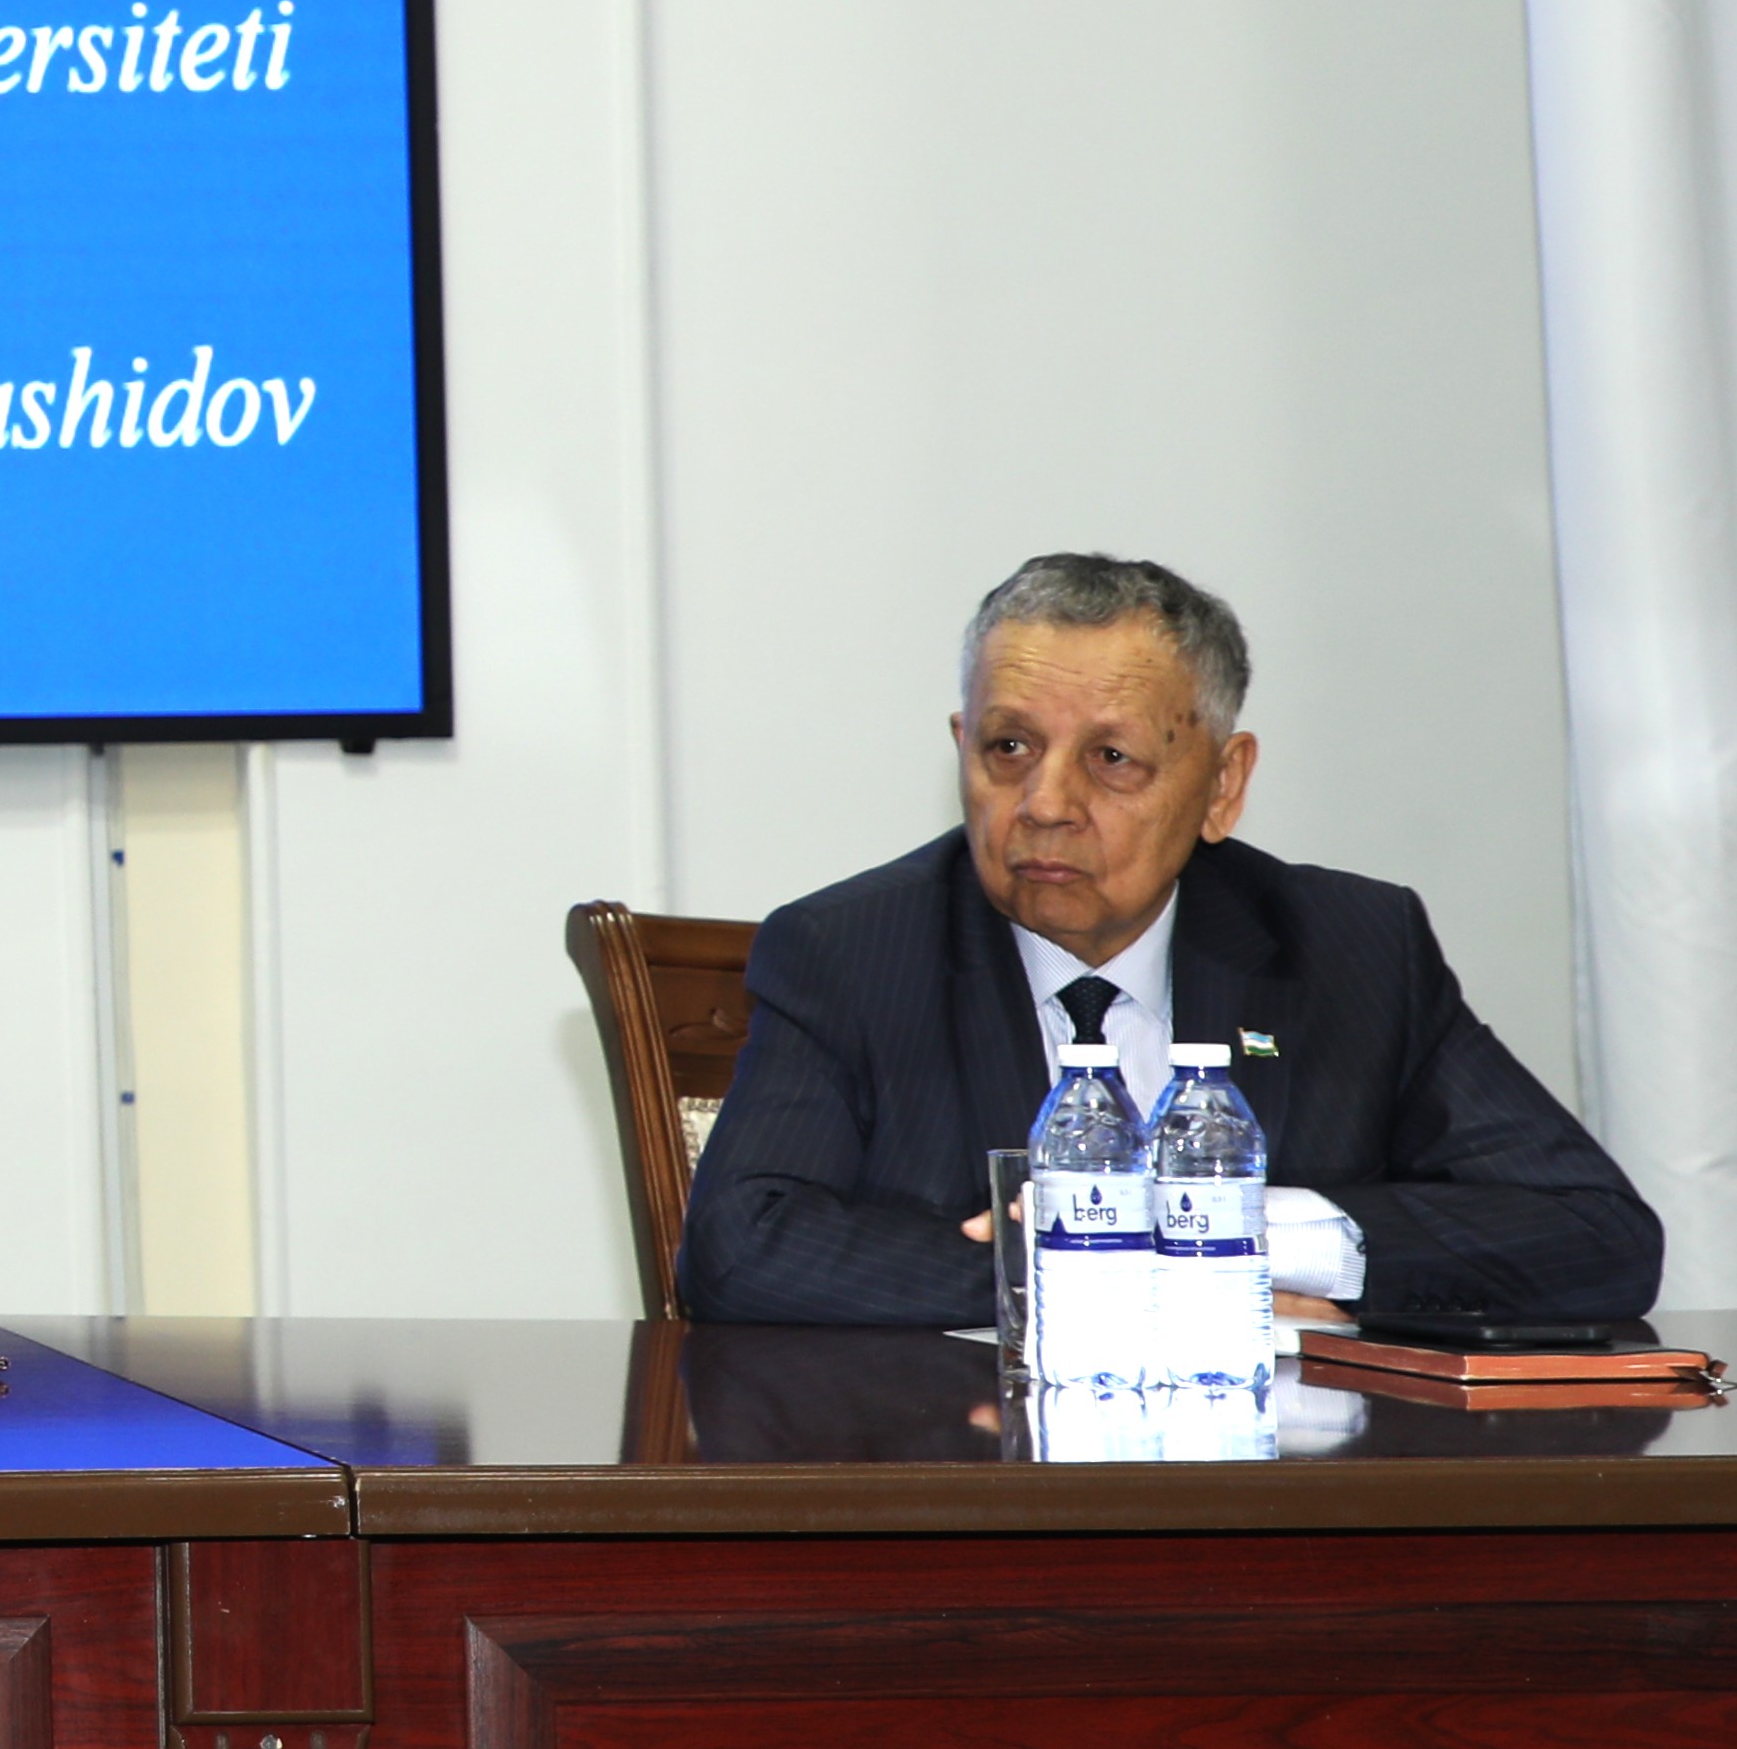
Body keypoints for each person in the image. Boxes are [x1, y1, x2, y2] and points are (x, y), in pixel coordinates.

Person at [677, 552, 1662, 1333]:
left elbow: (1596, 1232)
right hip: (976, 1483)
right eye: (1009, 747)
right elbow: (739, 1249)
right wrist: (1146, 1271)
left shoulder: (1350, 948)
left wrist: (1263, 1237)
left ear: (1223, 785)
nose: (1046, 803)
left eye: (1111, 757)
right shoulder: (850, 952)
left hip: (1282, 1489)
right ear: (961, 746)